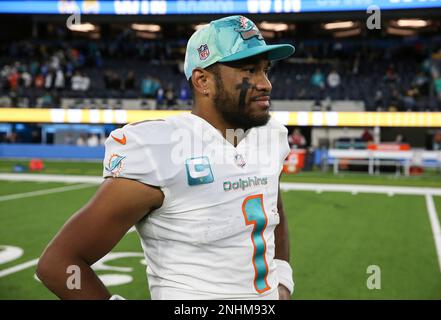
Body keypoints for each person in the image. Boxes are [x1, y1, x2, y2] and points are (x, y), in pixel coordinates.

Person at [37, 15, 295, 300]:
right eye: (249, 70)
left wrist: (282, 279)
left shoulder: (270, 135)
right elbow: (59, 263)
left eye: (265, 70)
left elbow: (274, 211)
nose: (265, 83)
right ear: (203, 80)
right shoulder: (159, 149)